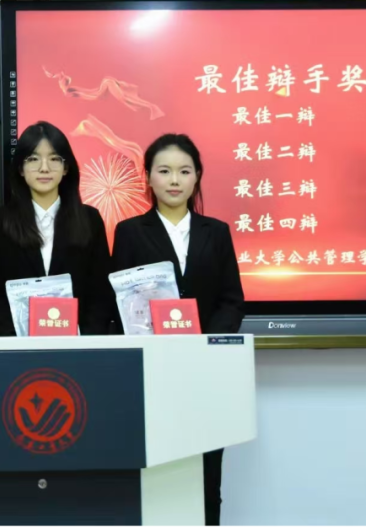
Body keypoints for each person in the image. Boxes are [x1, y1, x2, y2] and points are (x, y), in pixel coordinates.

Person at [111, 133, 245, 527]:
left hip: (206, 370)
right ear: (148, 177)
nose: (174, 180)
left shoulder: (216, 231)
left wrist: (202, 343)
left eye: (184, 171)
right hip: (152, 371)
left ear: (197, 176)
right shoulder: (130, 232)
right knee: (156, 475)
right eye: (164, 171)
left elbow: (231, 300)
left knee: (206, 477)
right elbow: (121, 302)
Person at [0, 121, 119, 337]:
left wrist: (84, 338)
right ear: (21, 169)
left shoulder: (90, 219)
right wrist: (17, 339)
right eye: (33, 159)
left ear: (66, 168)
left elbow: (100, 292)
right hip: (17, 345)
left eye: (54, 159)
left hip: (79, 344)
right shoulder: (0, 222)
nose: (44, 168)